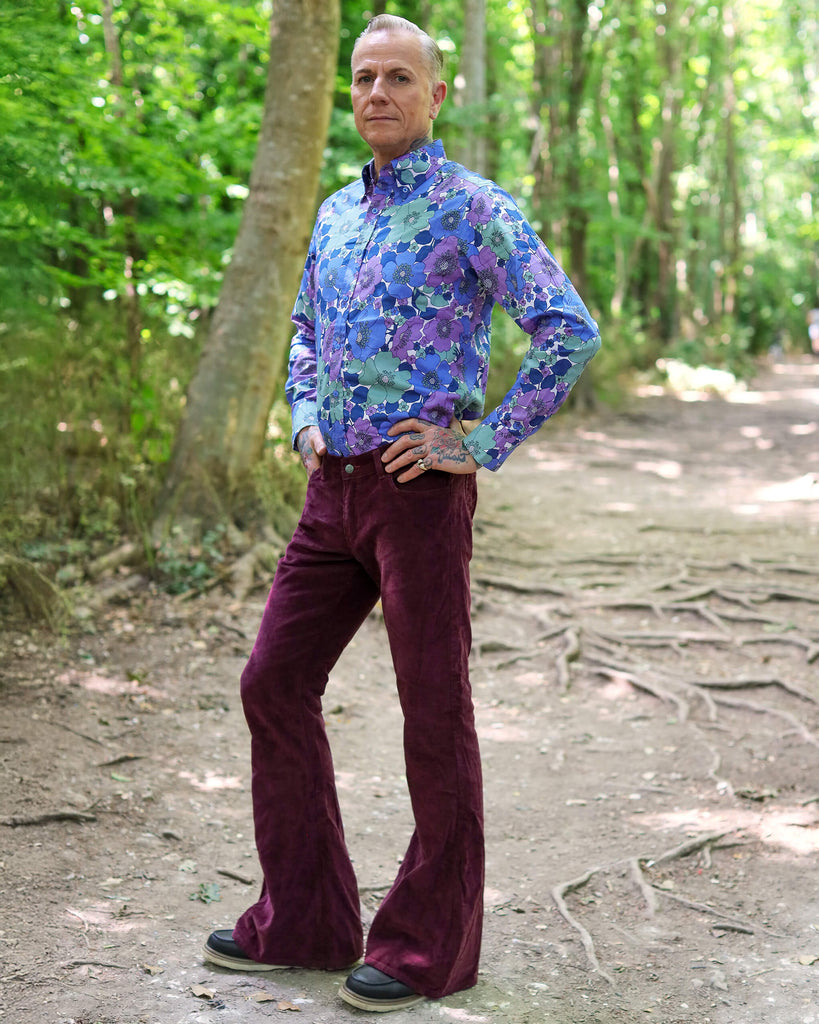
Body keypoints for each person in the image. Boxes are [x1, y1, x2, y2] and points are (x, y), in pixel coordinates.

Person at [203, 14, 601, 1013]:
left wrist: (484, 438)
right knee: (271, 683)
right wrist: (303, 419)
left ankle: (428, 947)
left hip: (419, 496)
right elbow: (303, 331)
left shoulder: (475, 209)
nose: (378, 92)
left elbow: (567, 328)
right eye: (365, 77)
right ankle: (303, 919)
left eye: (398, 77)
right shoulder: (336, 212)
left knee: (434, 713)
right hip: (327, 494)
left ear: (435, 96)